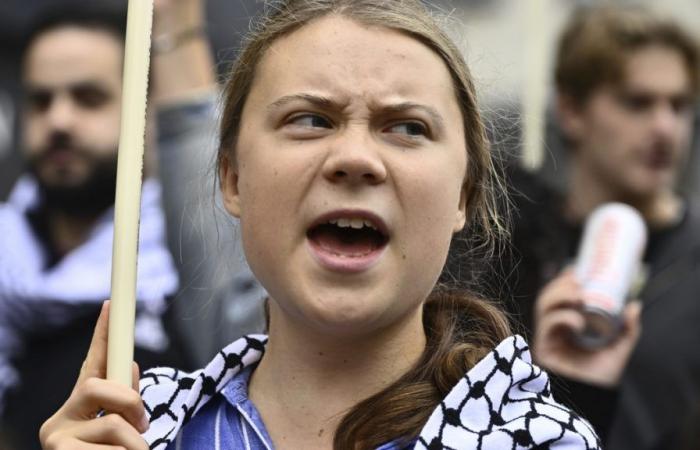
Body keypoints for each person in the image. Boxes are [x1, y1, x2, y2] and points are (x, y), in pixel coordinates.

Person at [38, 1, 601, 449]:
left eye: (406, 128)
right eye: (309, 119)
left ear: (464, 195)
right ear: (232, 179)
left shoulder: (541, 442)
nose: (355, 158)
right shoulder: (131, 430)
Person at [475, 5, 699, 450]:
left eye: (679, 105)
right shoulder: (505, 247)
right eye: (637, 102)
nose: (664, 128)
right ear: (571, 110)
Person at [0, 2, 215, 448]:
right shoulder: (7, 265)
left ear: (145, 110)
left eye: (88, 98)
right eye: (41, 100)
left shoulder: (189, 272)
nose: (59, 120)